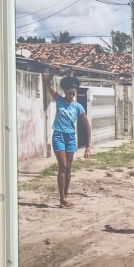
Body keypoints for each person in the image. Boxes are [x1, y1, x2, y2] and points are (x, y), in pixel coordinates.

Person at [42, 73, 92, 208]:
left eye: (74, 89)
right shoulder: (58, 99)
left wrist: (88, 145)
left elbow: (87, 125)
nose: (72, 91)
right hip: (58, 136)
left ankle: (65, 196)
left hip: (70, 138)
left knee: (69, 168)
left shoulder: (78, 107)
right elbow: (46, 84)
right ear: (65, 90)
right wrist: (52, 70)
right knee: (63, 166)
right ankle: (62, 199)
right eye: (70, 88)